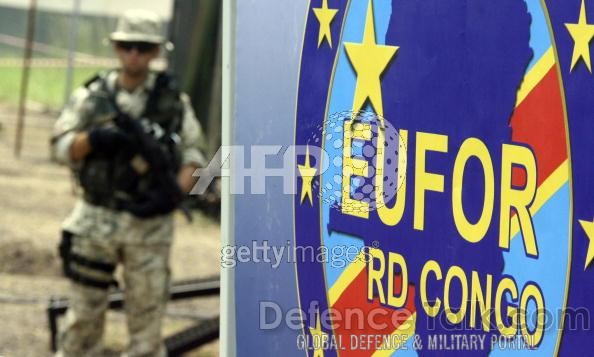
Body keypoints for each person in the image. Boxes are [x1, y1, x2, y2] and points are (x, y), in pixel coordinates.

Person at [51, 9, 205, 357]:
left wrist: (173, 194)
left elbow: (196, 156)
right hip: (95, 221)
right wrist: (93, 139)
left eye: (143, 47)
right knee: (81, 327)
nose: (134, 54)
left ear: (154, 52)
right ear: (117, 48)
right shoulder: (92, 96)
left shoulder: (173, 102)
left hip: (149, 228)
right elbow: (60, 147)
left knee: (146, 333)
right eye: (127, 46)